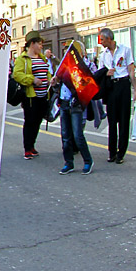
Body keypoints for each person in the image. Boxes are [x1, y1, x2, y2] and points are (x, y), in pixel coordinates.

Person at [98, 27, 136, 164]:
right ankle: (112, 152)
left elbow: (131, 70)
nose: (101, 43)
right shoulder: (103, 55)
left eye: (102, 40)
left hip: (123, 86)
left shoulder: (125, 50)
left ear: (109, 39)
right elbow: (100, 73)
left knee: (124, 119)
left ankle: (121, 152)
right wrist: (106, 73)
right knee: (112, 121)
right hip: (111, 87)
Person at [56, 41, 95, 175]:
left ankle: (88, 161)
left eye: (69, 50)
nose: (67, 53)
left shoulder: (86, 64)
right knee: (65, 135)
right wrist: (55, 81)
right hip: (64, 101)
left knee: (78, 135)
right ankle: (68, 162)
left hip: (76, 103)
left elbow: (90, 81)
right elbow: (59, 79)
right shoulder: (64, 65)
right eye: (65, 50)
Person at [12, 31, 52, 160]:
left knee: (38, 122)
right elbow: (17, 74)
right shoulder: (22, 59)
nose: (41, 46)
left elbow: (47, 72)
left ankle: (32, 145)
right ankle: (27, 148)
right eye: (39, 44)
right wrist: (32, 80)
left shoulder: (42, 58)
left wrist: (51, 79)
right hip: (30, 96)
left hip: (43, 95)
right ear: (32, 43)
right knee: (30, 121)